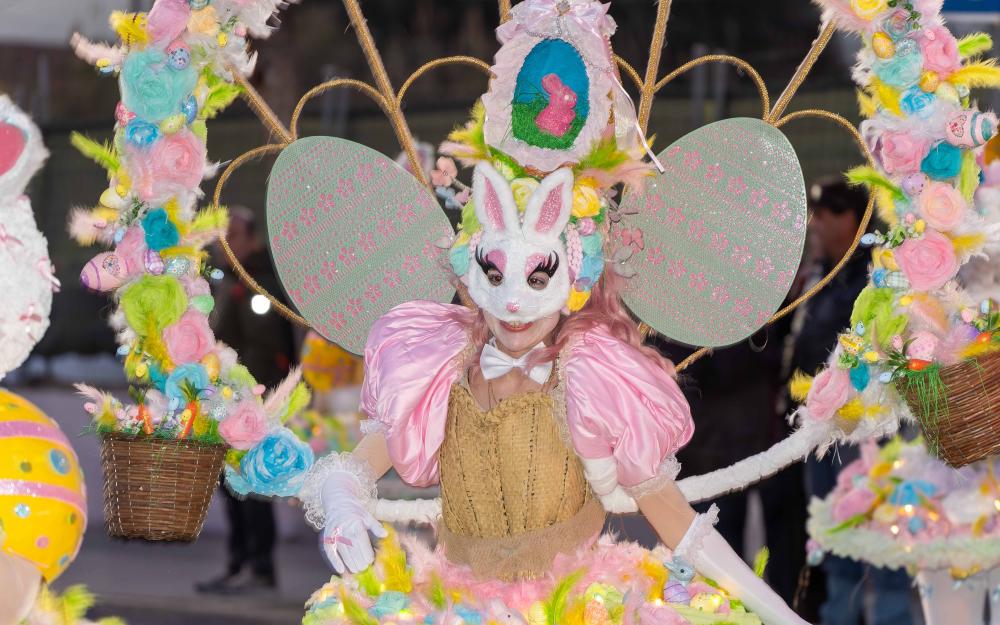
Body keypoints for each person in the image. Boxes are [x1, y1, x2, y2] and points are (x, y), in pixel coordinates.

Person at [782, 178, 913, 625]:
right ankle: (841, 615)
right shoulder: (821, 269)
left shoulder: (875, 272)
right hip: (823, 425)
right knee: (833, 528)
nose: (816, 224)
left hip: (866, 426)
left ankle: (891, 617)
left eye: (826, 214)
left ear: (852, 220)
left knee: (882, 534)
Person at [195, 207, 297, 595]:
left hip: (250, 401)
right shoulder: (237, 280)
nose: (224, 245)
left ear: (251, 239)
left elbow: (265, 346)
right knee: (235, 484)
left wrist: (241, 392)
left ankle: (257, 566)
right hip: (232, 400)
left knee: (249, 484)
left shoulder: (259, 282)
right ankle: (243, 563)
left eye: (232, 236)